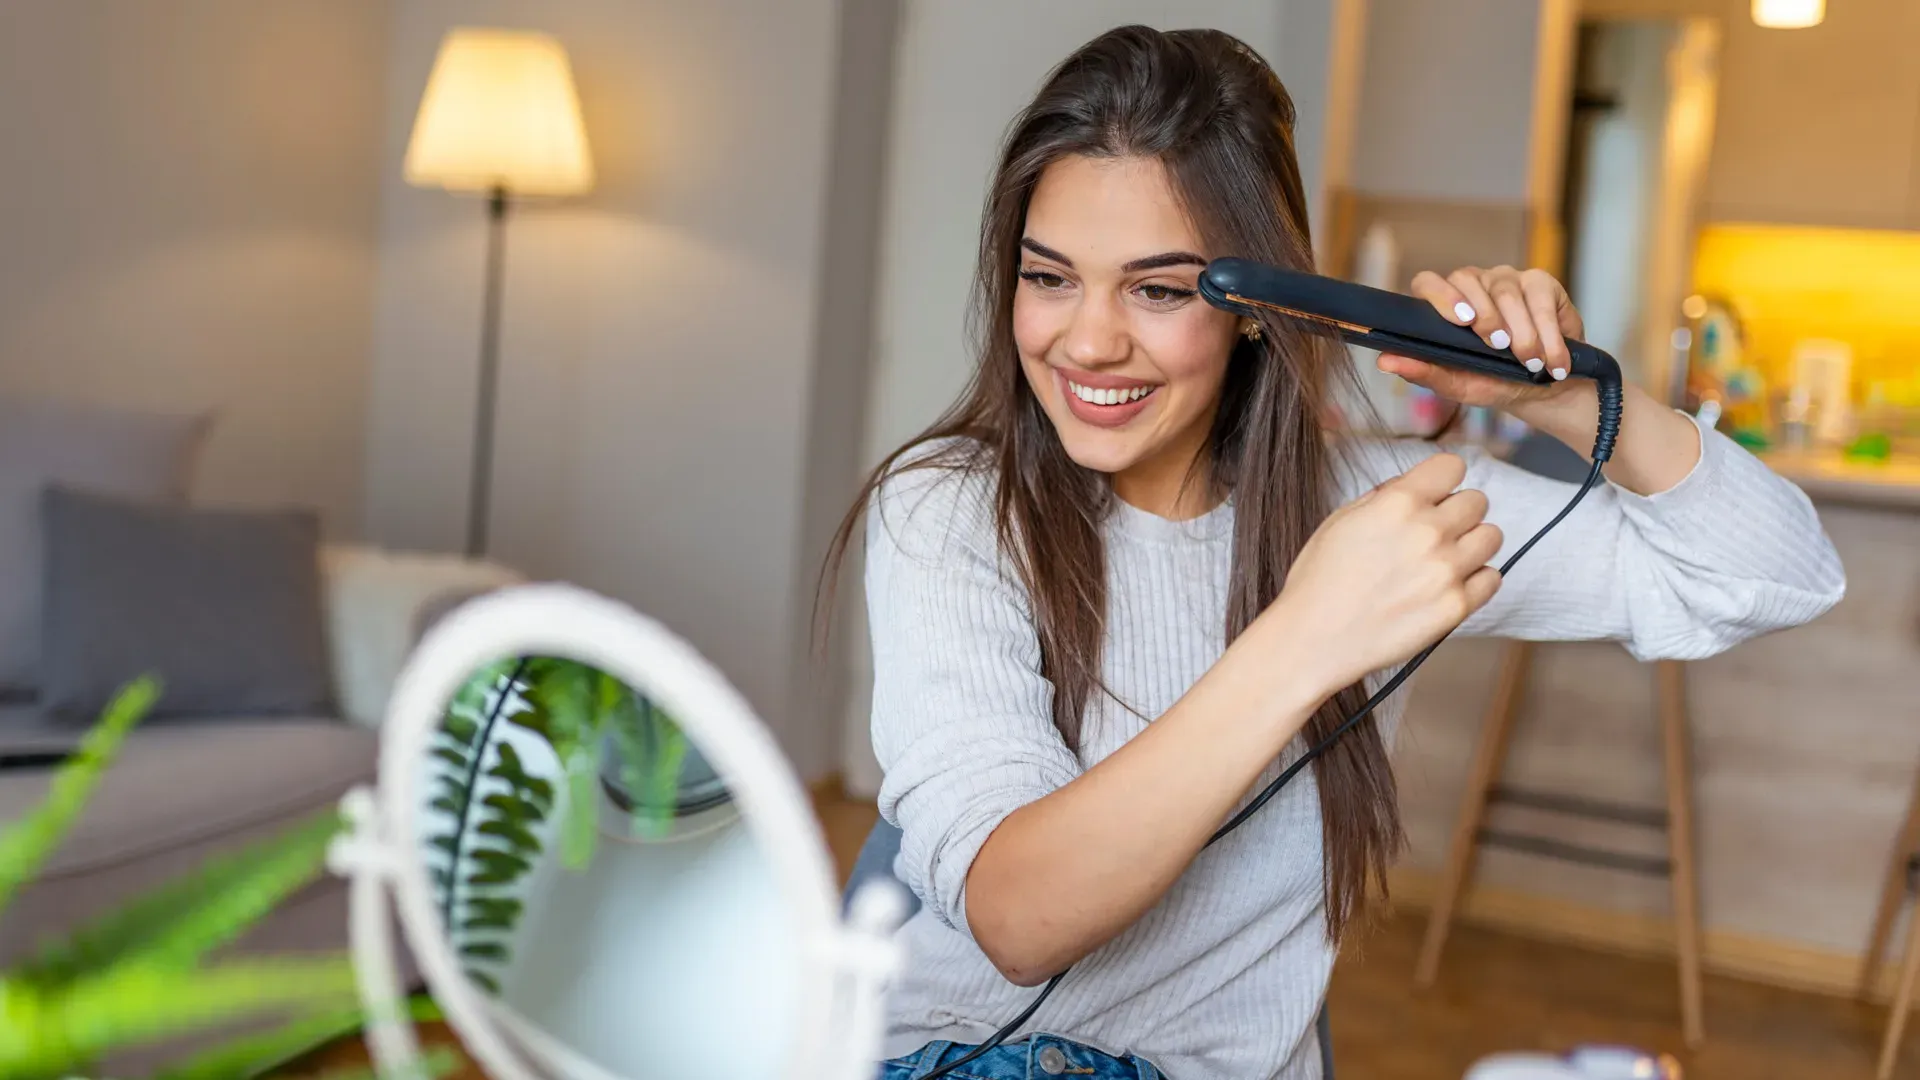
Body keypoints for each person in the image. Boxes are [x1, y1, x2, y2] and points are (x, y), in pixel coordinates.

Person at [820, 24, 1844, 1080]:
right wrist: (1308, 634)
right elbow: (1019, 917)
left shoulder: (1384, 509)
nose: (1086, 342)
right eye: (1050, 278)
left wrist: (1569, 396)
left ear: (1260, 309)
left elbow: (1774, 574)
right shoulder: (950, 509)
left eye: (1158, 290)